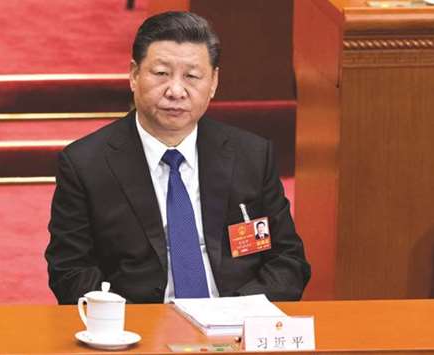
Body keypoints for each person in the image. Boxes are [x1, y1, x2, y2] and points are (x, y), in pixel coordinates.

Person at [45, 11, 310, 304]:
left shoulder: (252, 156)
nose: (175, 91)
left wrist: (233, 313)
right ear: (134, 76)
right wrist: (132, 325)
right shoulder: (85, 164)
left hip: (235, 326)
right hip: (136, 334)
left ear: (213, 82)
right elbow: (70, 270)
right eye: (161, 74)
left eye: (192, 76)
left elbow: (289, 261)